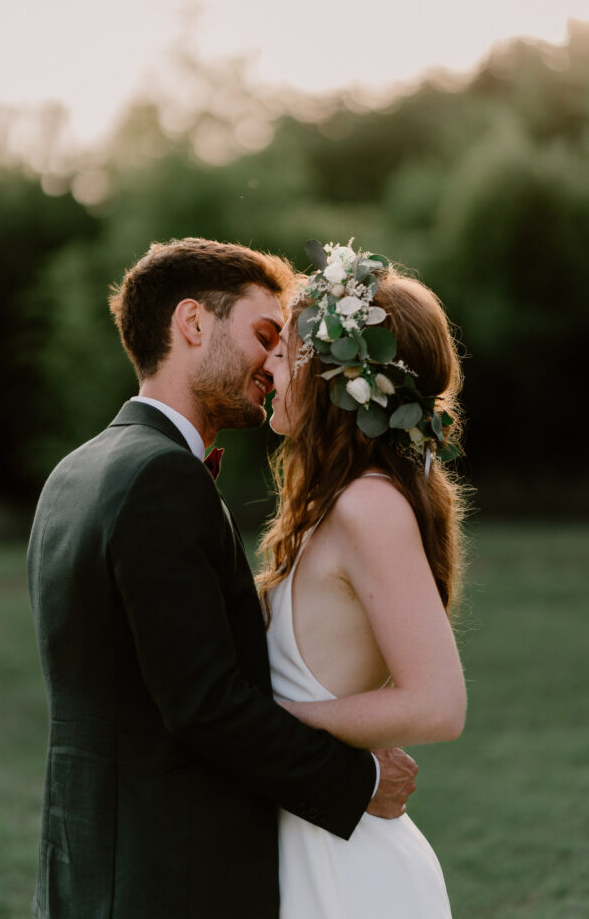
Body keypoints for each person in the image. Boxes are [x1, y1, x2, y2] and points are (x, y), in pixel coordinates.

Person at [27, 237, 417, 919]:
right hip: (168, 878)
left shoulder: (75, 471)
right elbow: (203, 704)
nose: (275, 361)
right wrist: (357, 780)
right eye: (264, 334)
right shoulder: (158, 478)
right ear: (192, 324)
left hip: (84, 866)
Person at [260, 240, 469, 918]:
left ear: (333, 373)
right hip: (309, 839)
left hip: (346, 874)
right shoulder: (338, 501)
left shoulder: (367, 506)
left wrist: (262, 724)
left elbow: (436, 705)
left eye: (283, 351)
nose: (265, 364)